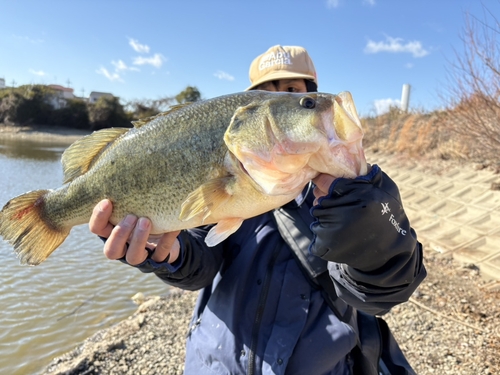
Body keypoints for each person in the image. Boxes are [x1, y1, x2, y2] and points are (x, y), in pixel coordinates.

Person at [89, 45, 426, 375]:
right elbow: (201, 263)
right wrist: (169, 255)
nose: (310, 107)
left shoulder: (346, 195)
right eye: (265, 95)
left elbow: (382, 292)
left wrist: (369, 229)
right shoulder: (229, 177)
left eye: (298, 94)